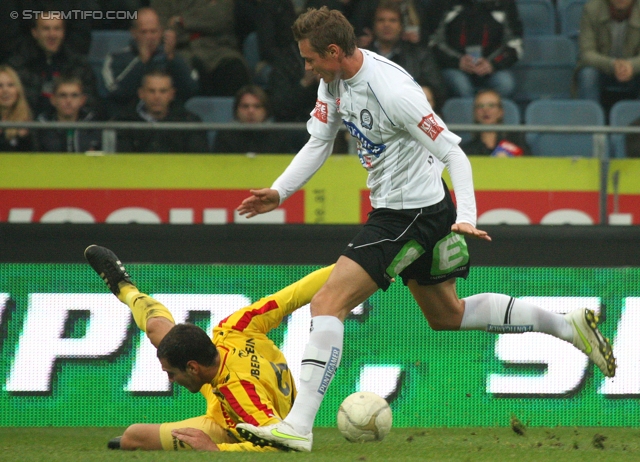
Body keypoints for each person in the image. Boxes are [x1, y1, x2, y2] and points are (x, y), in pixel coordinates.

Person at [235, 7, 616, 452]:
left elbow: (456, 153)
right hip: (415, 210)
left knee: (327, 302)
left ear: (334, 51)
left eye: (310, 59)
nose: (307, 67)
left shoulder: (393, 90)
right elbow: (319, 141)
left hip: (409, 215)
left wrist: (467, 215)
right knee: (447, 316)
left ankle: (298, 426)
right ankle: (566, 326)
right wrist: (280, 192)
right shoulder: (332, 81)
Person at [83, 244, 334, 451]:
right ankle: (124, 287)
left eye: (171, 373)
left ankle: (127, 290)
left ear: (192, 368)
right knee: (157, 329)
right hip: (231, 383)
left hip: (233, 426)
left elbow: (281, 446)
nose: (170, 379)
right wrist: (351, 269)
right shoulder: (233, 329)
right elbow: (297, 293)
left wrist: (216, 449)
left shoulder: (240, 395)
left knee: (133, 437)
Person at [102, 7, 198, 118]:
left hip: (169, 121)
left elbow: (191, 89)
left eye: (153, 31)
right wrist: (142, 61)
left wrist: (172, 58)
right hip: (130, 121)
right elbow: (116, 92)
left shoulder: (175, 58)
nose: (149, 37)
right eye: (144, 32)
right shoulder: (116, 58)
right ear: (134, 33)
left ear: (161, 32)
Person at [151, 0, 251, 97]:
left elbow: (221, 17)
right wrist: (205, 16)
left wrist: (180, 20)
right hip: (182, 50)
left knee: (234, 68)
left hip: (219, 48)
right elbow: (162, 28)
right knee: (183, 71)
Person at [7, 14, 98, 117]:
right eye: (46, 29)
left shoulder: (79, 65)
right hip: (28, 127)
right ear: (35, 32)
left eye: (57, 29)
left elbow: (90, 104)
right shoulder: (18, 65)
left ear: (63, 32)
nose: (52, 35)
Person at [429, 0, 522, 98]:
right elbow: (432, 42)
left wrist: (492, 64)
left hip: (492, 67)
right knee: (460, 84)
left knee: (505, 83)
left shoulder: (504, 3)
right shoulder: (443, 3)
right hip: (454, 67)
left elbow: (515, 44)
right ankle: (468, 111)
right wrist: (458, 61)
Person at [367, 0, 446, 112]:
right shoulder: (360, 56)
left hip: (410, 115)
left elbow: (437, 91)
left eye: (393, 20)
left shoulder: (420, 55)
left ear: (401, 26)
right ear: (374, 25)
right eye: (381, 20)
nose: (386, 25)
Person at [115, 69, 208, 153]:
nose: (157, 97)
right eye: (151, 91)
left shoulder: (189, 122)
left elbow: (198, 160)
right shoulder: (123, 122)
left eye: (163, 91)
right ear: (141, 93)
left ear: (172, 94)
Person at [576, 0, 640, 112]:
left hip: (634, 72)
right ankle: (591, 123)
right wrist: (612, 64)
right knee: (588, 74)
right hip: (602, 70)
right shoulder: (591, 9)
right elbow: (586, 53)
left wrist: (632, 66)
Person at [214, 85, 294, 154]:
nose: (251, 111)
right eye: (245, 106)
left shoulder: (278, 137)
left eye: (257, 106)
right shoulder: (225, 135)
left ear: (266, 111)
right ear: (236, 110)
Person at [36, 76, 102, 152]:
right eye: (63, 95)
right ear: (53, 100)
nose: (68, 100)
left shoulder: (95, 127)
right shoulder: (40, 128)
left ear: (82, 100)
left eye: (74, 95)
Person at [461, 89, 530, 156]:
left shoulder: (517, 146)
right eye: (480, 106)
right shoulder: (466, 151)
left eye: (491, 105)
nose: (486, 110)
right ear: (475, 113)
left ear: (500, 112)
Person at [0, 65, 35, 152]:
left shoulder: (28, 122)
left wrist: (22, 137)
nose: (5, 90)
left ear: (18, 89)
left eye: (10, 85)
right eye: (0, 85)